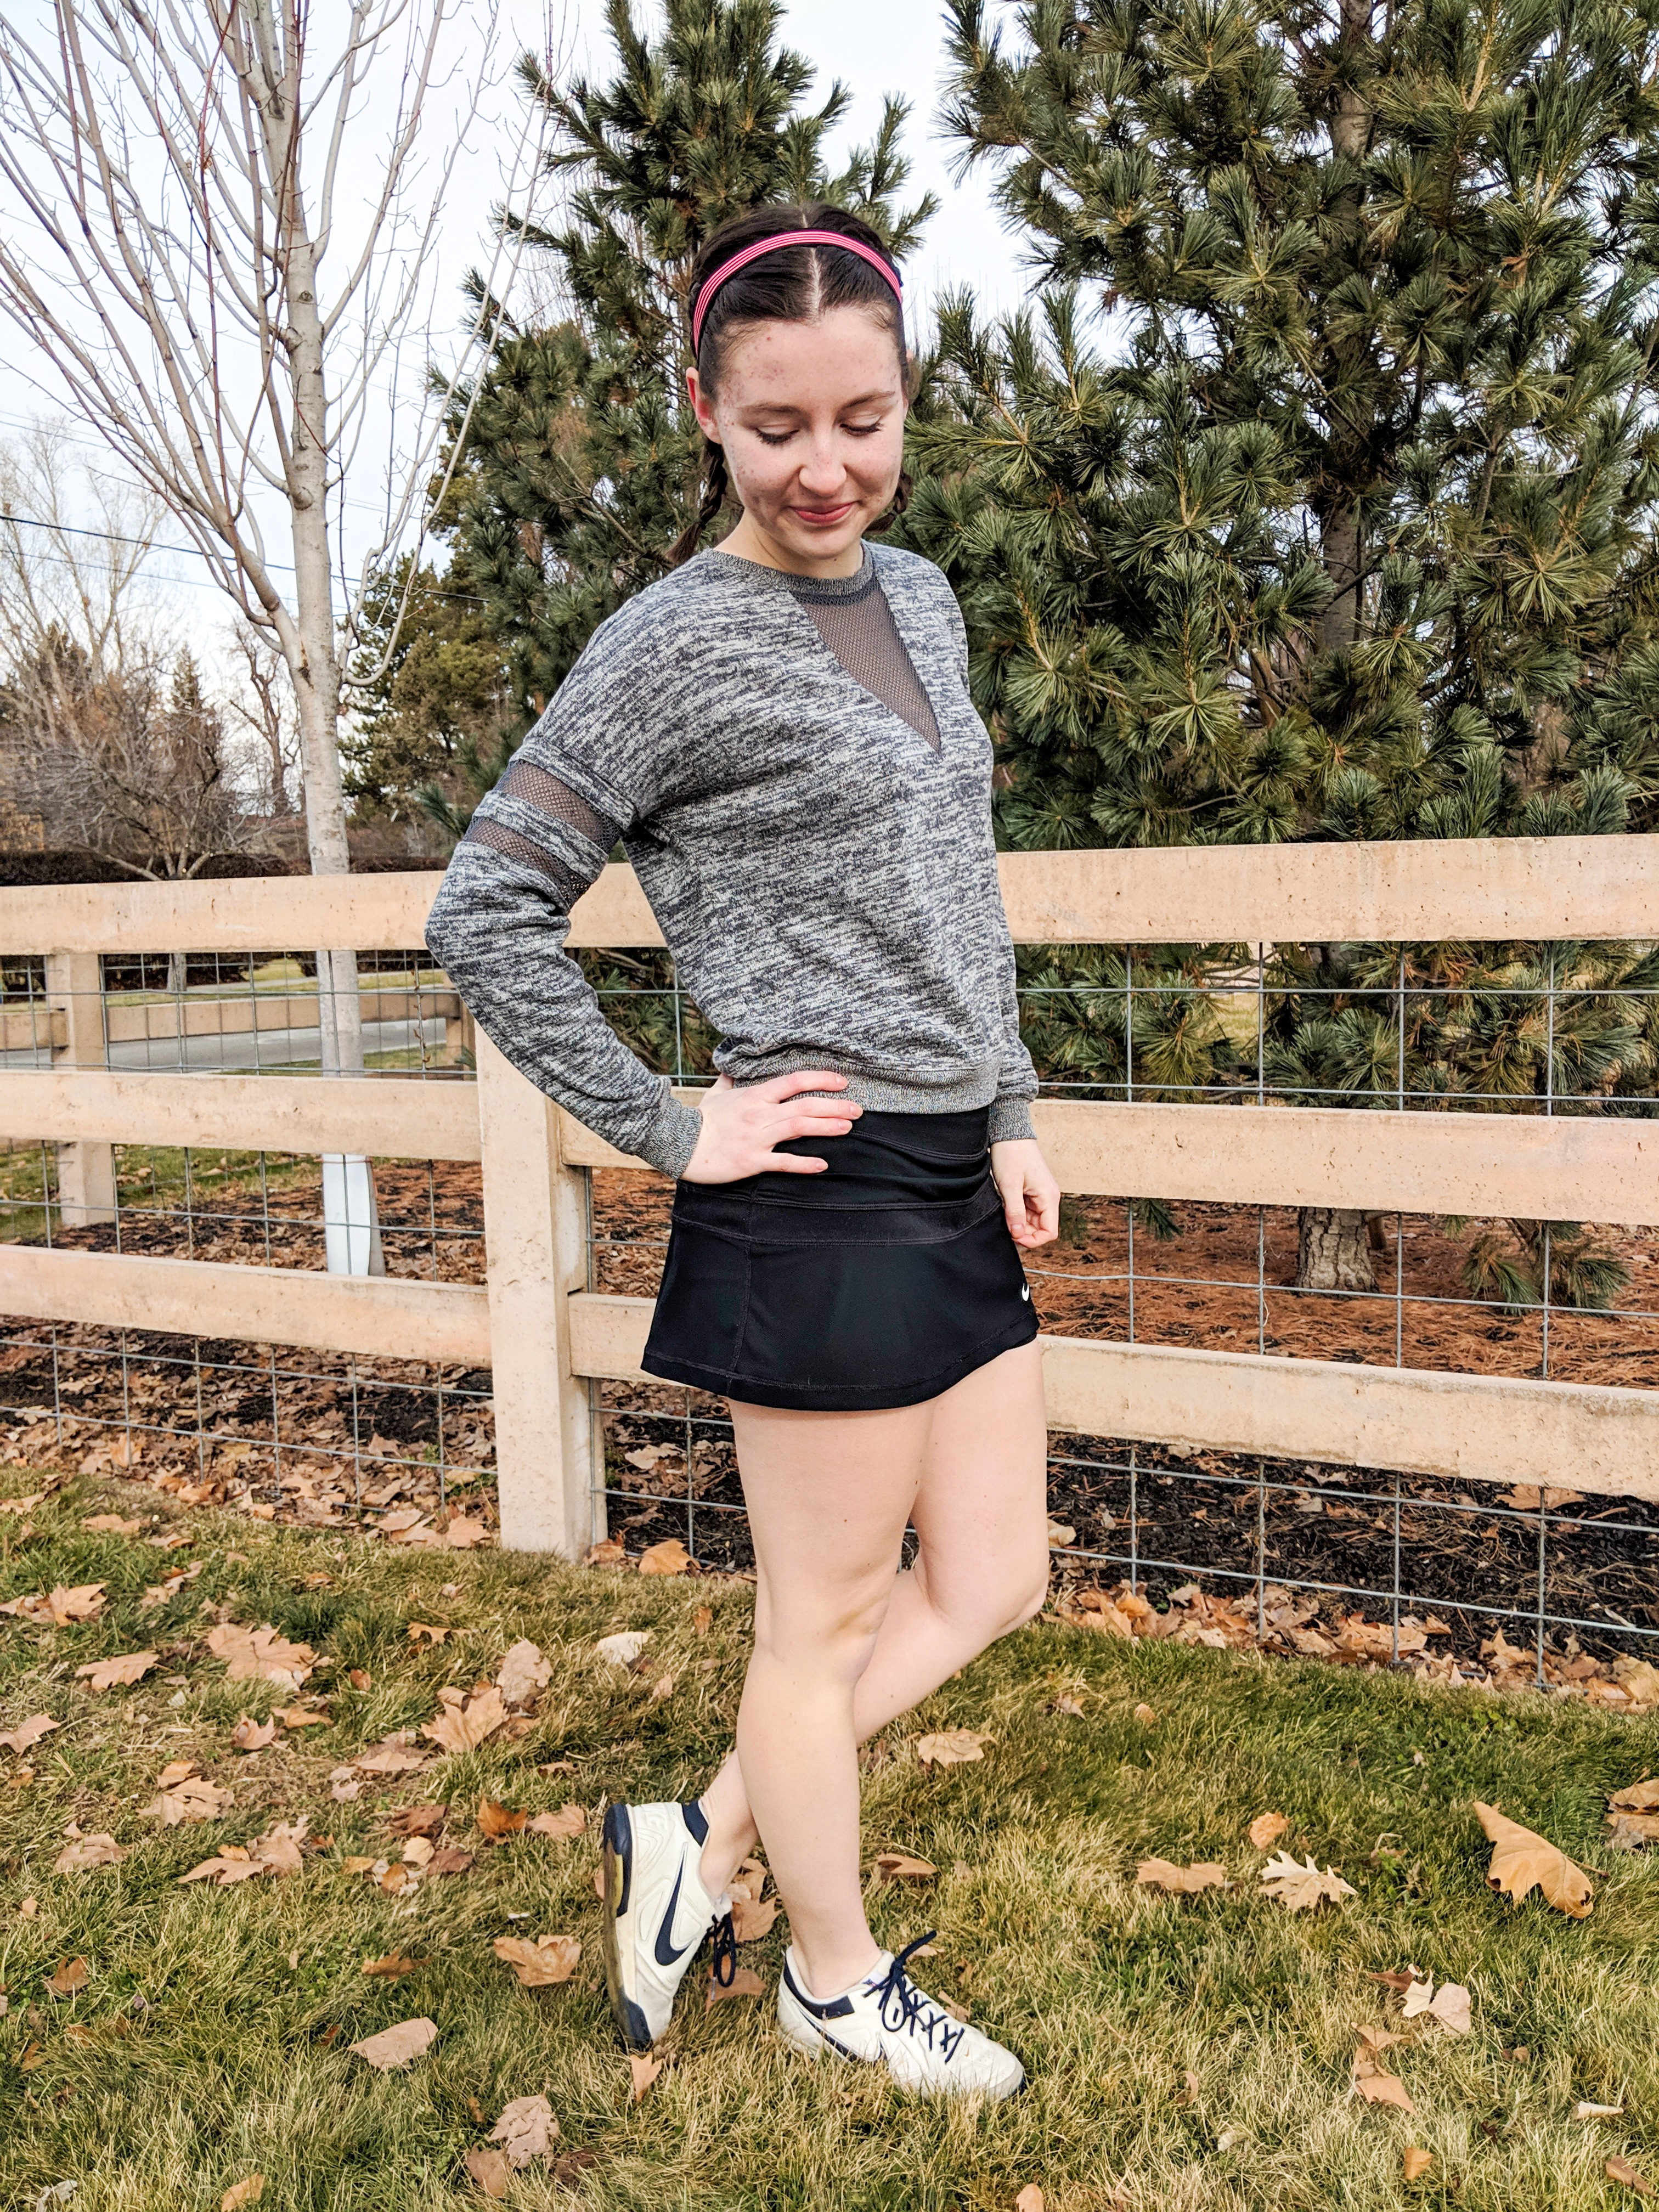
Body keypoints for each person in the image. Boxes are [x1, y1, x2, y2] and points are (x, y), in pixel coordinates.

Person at [424, 201, 1061, 2101]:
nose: (824, 467)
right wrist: (667, 1122)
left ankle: (697, 1838)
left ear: (905, 400)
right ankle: (833, 1980)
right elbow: (484, 911)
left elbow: (964, 889)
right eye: (776, 424)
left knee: (1001, 1578)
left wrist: (1013, 1103)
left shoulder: (926, 597)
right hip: (813, 1192)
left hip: (952, 1173)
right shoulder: (671, 643)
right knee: (825, 1623)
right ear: (704, 408)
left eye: (862, 418)